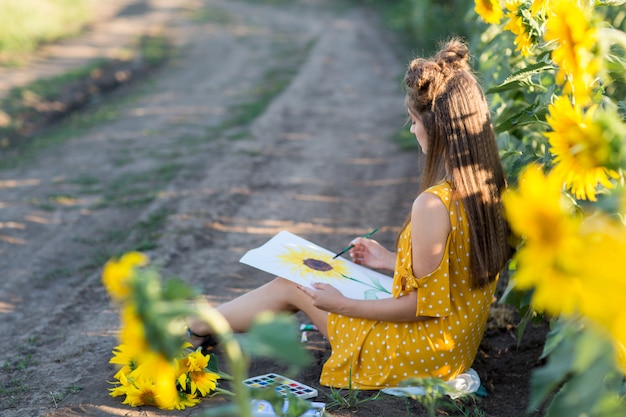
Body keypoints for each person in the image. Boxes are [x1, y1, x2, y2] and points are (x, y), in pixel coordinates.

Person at [188, 37, 512, 390]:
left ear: (436, 129)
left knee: (295, 283)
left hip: (415, 355)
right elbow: (457, 270)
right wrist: (390, 260)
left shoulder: (434, 203)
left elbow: (420, 306)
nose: (412, 129)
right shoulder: (491, 185)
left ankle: (197, 328)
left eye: (414, 121)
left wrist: (341, 304)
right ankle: (203, 327)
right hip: (453, 346)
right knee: (319, 280)